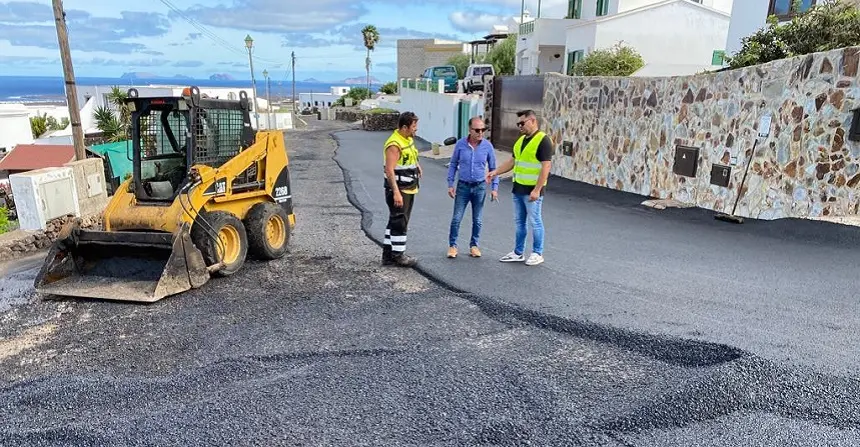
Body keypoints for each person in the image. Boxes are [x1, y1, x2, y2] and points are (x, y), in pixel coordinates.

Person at [486, 109, 552, 266]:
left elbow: (546, 167)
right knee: (519, 222)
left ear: (533, 121)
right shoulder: (521, 140)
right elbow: (512, 162)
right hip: (518, 189)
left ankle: (537, 252)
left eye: (522, 123)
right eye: (518, 124)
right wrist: (495, 172)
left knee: (535, 221)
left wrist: (537, 190)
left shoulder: (543, 141)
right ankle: (518, 252)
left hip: (532, 191)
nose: (520, 126)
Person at [446, 116, 498, 258]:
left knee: (478, 220)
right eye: (477, 130)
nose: (480, 132)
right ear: (470, 130)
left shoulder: (487, 146)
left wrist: (494, 188)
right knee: (457, 218)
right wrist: (450, 184)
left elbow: (494, 168)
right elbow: (453, 164)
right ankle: (452, 246)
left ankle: (474, 246)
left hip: (480, 187)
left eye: (483, 130)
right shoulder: (461, 145)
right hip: (463, 186)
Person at [382, 111, 423, 267]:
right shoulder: (394, 144)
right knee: (400, 222)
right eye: (414, 126)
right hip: (399, 189)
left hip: (409, 186)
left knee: (394, 220)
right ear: (405, 127)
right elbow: (389, 169)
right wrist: (396, 193)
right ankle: (399, 255)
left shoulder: (407, 139)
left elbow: (409, 156)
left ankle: (388, 255)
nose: (416, 129)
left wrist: (417, 165)